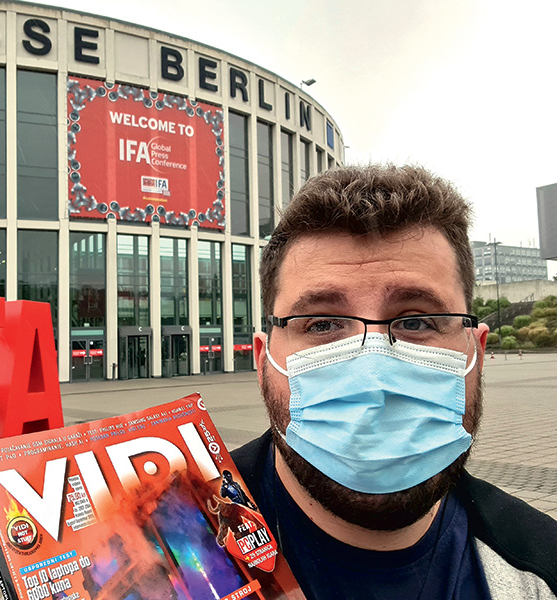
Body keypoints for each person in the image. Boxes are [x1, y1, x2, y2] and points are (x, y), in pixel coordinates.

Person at [232, 164, 557, 599]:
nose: (373, 371)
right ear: (264, 360)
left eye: (416, 320)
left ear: (476, 354)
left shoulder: (543, 568)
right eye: (323, 323)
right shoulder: (157, 547)